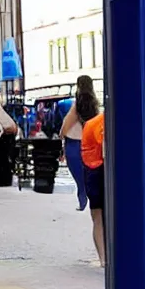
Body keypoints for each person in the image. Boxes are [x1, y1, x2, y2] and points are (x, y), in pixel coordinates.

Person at [60, 76, 99, 211]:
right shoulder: (94, 104)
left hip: (74, 143)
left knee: (77, 173)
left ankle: (82, 195)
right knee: (88, 172)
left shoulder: (77, 105)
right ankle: (88, 195)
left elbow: (66, 125)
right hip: (89, 142)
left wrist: (61, 135)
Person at [82, 111, 105, 267]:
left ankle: (103, 258)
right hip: (102, 170)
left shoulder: (92, 123)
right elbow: (105, 151)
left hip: (92, 171)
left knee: (97, 217)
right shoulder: (106, 124)